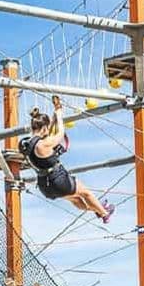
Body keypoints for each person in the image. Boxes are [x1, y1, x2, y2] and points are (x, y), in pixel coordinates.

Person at [20, 95, 115, 223]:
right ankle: (104, 213)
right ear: (44, 128)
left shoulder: (27, 144)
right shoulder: (44, 144)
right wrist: (59, 114)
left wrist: (53, 118)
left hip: (45, 186)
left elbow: (47, 136)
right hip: (58, 180)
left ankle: (98, 209)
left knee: (76, 199)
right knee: (86, 193)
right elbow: (59, 133)